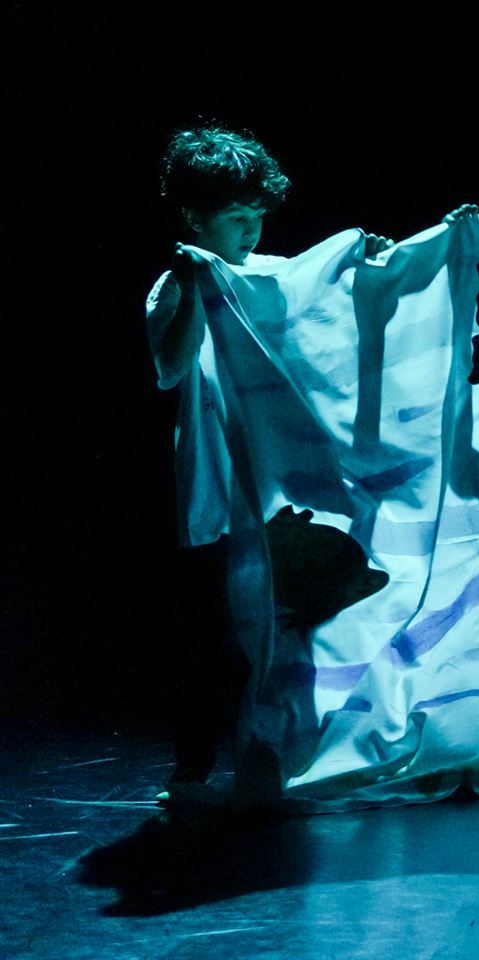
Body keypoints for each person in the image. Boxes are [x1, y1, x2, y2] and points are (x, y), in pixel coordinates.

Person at [146, 127, 291, 798]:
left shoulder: (271, 275)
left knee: (278, 621)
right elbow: (171, 369)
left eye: (257, 213)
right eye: (236, 216)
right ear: (195, 217)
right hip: (213, 483)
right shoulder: (172, 288)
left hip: (271, 484)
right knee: (209, 633)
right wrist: (194, 287)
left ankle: (275, 758)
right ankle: (193, 765)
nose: (251, 228)